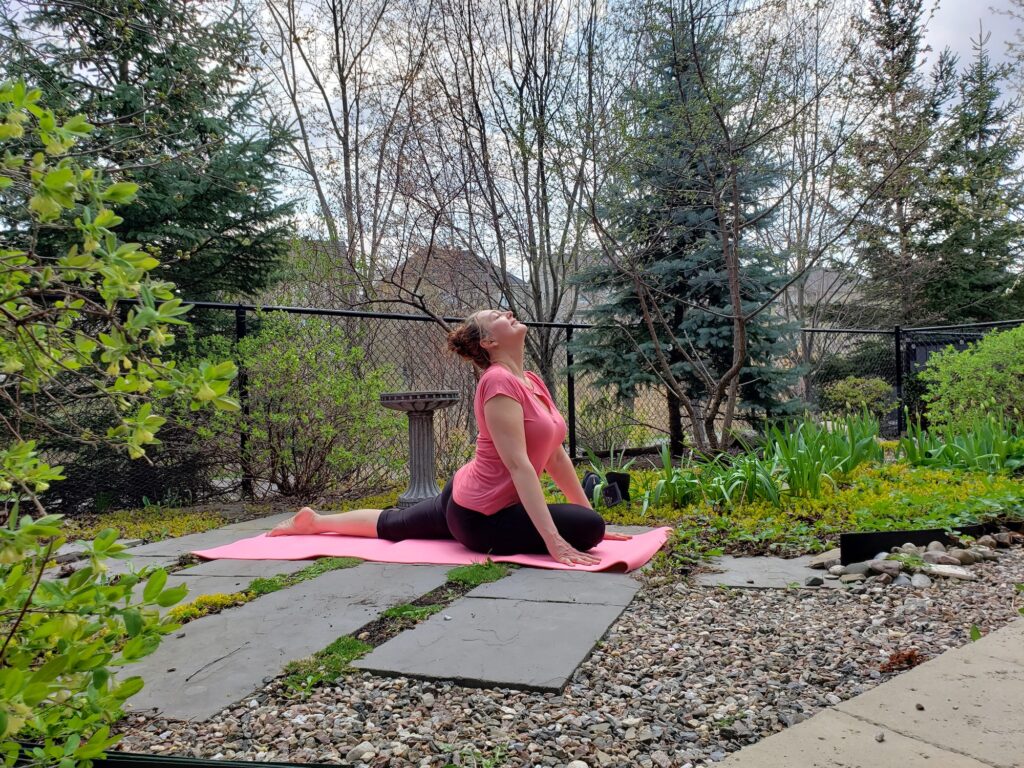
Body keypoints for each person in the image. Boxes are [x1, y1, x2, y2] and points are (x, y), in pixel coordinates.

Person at [269, 308, 630, 566]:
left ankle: (313, 521)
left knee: (394, 524)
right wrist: (555, 541)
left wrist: (584, 507)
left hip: (465, 494)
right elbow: (519, 464)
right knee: (588, 529)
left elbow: (553, 455)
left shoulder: (530, 380)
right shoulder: (497, 382)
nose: (508, 313)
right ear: (488, 341)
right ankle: (319, 523)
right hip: (480, 515)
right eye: (497, 317)